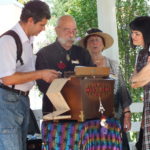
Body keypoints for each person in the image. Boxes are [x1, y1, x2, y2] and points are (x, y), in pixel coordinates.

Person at [0, 1, 59, 150]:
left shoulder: (28, 41)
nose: (44, 29)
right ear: (30, 20)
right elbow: (7, 78)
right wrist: (40, 74)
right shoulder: (8, 40)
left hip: (22, 101)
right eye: (42, 25)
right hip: (7, 102)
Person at [80, 28, 132, 150]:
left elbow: (123, 91)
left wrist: (127, 115)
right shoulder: (81, 67)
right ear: (86, 45)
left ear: (103, 44)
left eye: (97, 40)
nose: (94, 43)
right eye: (91, 40)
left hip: (114, 117)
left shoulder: (114, 65)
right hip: (89, 120)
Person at [36, 15, 93, 116]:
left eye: (74, 30)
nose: (71, 34)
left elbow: (93, 78)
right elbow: (43, 86)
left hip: (82, 113)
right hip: (54, 114)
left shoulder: (83, 53)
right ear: (56, 30)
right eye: (67, 30)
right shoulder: (44, 54)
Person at [130, 16, 150, 150]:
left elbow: (138, 78)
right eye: (132, 33)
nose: (133, 36)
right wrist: (146, 71)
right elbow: (134, 82)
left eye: (137, 33)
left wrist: (140, 76)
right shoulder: (141, 54)